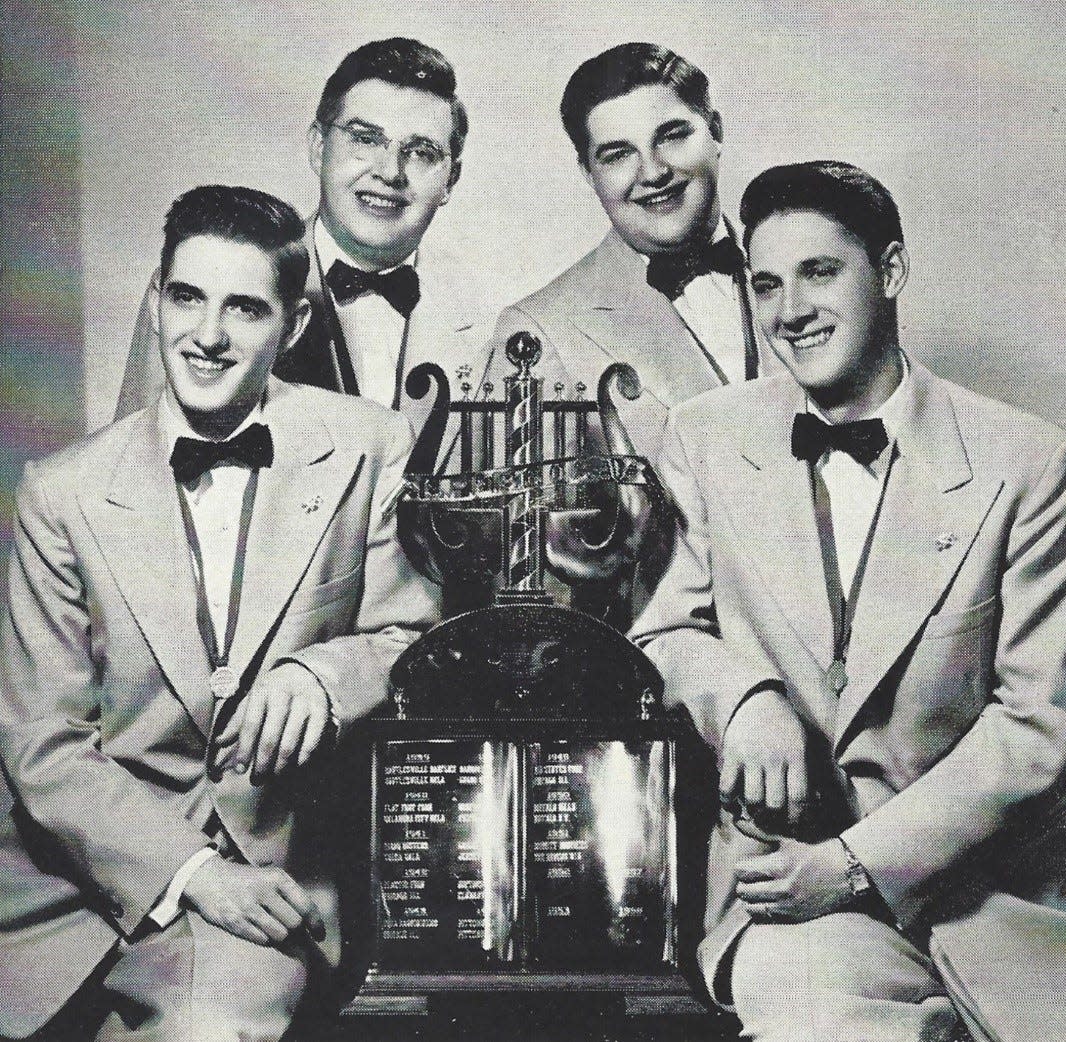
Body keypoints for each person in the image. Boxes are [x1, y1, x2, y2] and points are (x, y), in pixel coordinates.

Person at [630, 161, 1066, 1041]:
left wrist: (857, 865)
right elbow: (665, 628)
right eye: (766, 283)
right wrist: (746, 701)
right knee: (809, 1009)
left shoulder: (1031, 463)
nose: (789, 313)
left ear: (889, 271)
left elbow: (1042, 720)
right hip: (790, 895)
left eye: (820, 272)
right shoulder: (704, 437)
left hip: (1004, 910)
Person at [0, 185, 438, 1041]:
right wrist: (191, 869)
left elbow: (414, 637)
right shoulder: (60, 492)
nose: (206, 336)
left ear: (295, 325)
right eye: (186, 298)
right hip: (65, 892)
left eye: (243, 308)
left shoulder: (371, 445)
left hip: (271, 884)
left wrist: (325, 672)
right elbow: (41, 744)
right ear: (157, 301)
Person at [115, 38, 497, 457]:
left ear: (450, 181)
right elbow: (133, 474)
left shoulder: (490, 319)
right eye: (365, 139)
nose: (390, 173)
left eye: (422, 152)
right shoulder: (199, 293)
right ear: (318, 147)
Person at [490, 42, 774, 464]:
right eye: (619, 155)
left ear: (716, 132)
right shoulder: (537, 332)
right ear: (589, 174)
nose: (654, 173)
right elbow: (535, 523)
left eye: (673, 136)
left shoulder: (811, 268)